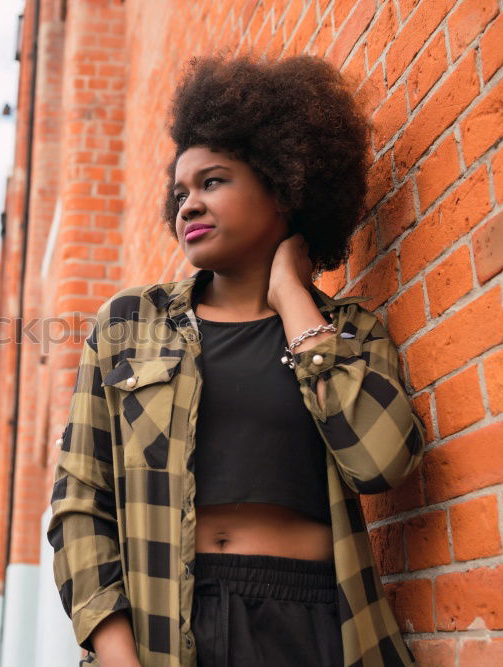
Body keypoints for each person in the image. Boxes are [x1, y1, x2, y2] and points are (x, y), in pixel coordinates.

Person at [47, 55, 426, 667]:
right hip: (163, 627)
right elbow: (80, 500)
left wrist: (292, 299)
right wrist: (117, 654)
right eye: (180, 193)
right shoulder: (127, 325)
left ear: (283, 185)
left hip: (312, 626)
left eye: (212, 182)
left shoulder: (348, 331)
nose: (188, 206)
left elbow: (383, 463)